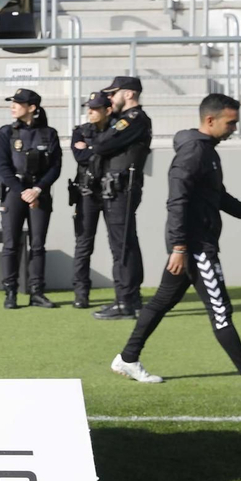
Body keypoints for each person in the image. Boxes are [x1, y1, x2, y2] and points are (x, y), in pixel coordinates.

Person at [112, 94, 241, 395]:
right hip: (194, 247)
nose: (234, 127)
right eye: (230, 122)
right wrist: (179, 247)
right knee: (221, 310)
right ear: (210, 120)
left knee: (161, 302)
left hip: (192, 245)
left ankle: (128, 358)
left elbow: (218, 196)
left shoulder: (207, 151)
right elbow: (176, 201)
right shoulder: (194, 153)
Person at [83, 75, 151, 320]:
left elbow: (101, 144)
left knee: (121, 246)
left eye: (114, 93)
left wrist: (96, 141)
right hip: (117, 189)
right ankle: (130, 299)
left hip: (122, 189)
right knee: (123, 244)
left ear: (129, 94)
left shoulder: (133, 119)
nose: (110, 98)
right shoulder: (124, 120)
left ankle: (126, 301)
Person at [0, 89, 61, 309]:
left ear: (32, 107)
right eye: (12, 102)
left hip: (39, 193)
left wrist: (37, 190)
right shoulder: (6, 132)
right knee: (11, 244)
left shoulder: (49, 133)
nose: (13, 106)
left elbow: (55, 167)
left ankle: (37, 292)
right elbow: (2, 167)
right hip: (14, 192)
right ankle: (10, 292)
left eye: (18, 103)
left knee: (38, 245)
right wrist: (23, 191)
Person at [70, 91, 112, 309]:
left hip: (112, 193)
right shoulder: (80, 131)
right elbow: (79, 156)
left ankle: (124, 294)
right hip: (86, 194)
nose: (91, 112)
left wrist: (91, 149)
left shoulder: (115, 130)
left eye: (95, 109)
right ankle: (81, 294)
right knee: (83, 244)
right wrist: (97, 151)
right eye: (89, 108)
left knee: (118, 243)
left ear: (108, 110)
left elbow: (109, 153)